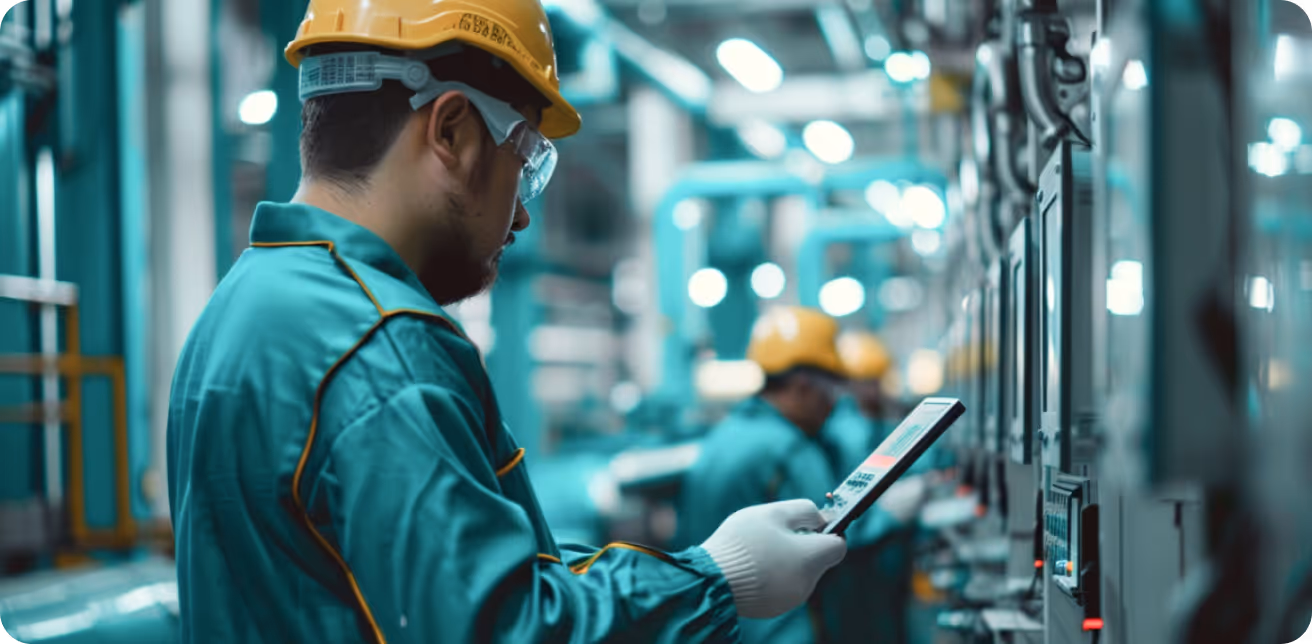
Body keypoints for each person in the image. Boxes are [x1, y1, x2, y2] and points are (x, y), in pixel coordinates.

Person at [165, 1, 846, 642]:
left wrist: (680, 571)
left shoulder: (237, 311)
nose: (521, 214)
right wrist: (715, 580)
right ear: (453, 130)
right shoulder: (382, 345)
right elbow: (503, 627)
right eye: (525, 160)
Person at [677, 308, 922, 643]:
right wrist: (888, 516)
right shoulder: (789, 449)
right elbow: (830, 533)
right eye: (833, 391)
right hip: (779, 626)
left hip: (718, 622)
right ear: (805, 385)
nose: (834, 406)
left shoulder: (724, 435)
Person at [815, 330, 927, 644]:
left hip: (889, 551)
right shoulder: (840, 431)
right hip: (858, 557)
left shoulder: (886, 422)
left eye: (876, 380)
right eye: (866, 381)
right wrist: (887, 515)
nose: (873, 389)